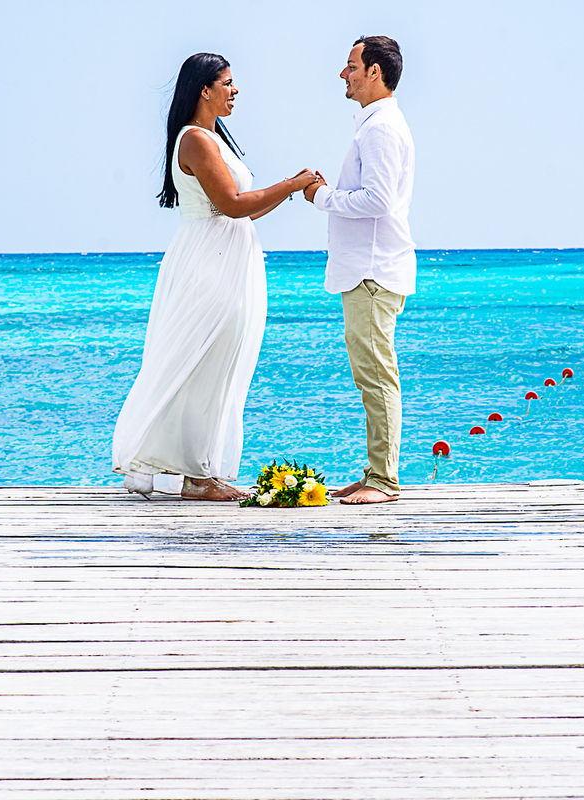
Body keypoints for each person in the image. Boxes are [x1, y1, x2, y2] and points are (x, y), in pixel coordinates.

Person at [112, 53, 320, 501]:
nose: (235, 89)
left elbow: (245, 209)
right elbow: (230, 204)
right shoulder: (196, 140)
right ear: (205, 89)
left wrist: (290, 192)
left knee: (218, 362)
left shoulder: (214, 138)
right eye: (228, 82)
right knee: (202, 361)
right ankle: (192, 476)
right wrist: (289, 182)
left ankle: (198, 469)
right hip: (210, 262)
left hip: (227, 254)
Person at [305, 36, 415, 505]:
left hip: (372, 271)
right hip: (367, 269)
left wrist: (322, 197)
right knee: (370, 373)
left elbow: (379, 199)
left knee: (375, 374)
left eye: (351, 65)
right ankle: (375, 472)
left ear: (374, 71)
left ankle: (384, 481)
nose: (343, 74)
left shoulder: (381, 128)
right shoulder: (374, 125)